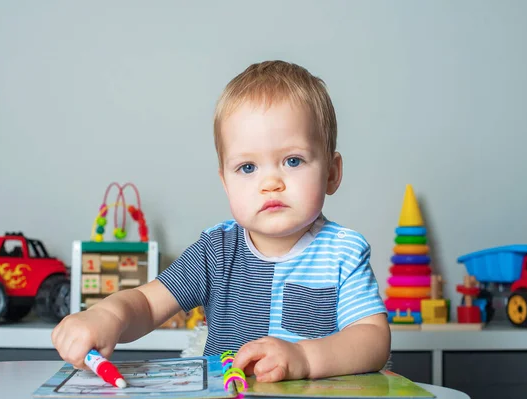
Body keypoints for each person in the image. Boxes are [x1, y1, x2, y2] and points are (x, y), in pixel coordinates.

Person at [52, 60, 390, 383]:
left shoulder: (343, 252)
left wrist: (304, 358)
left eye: (292, 160)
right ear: (225, 181)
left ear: (332, 174)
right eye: (247, 167)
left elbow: (372, 339)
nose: (270, 182)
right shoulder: (215, 250)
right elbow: (146, 302)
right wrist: (106, 316)